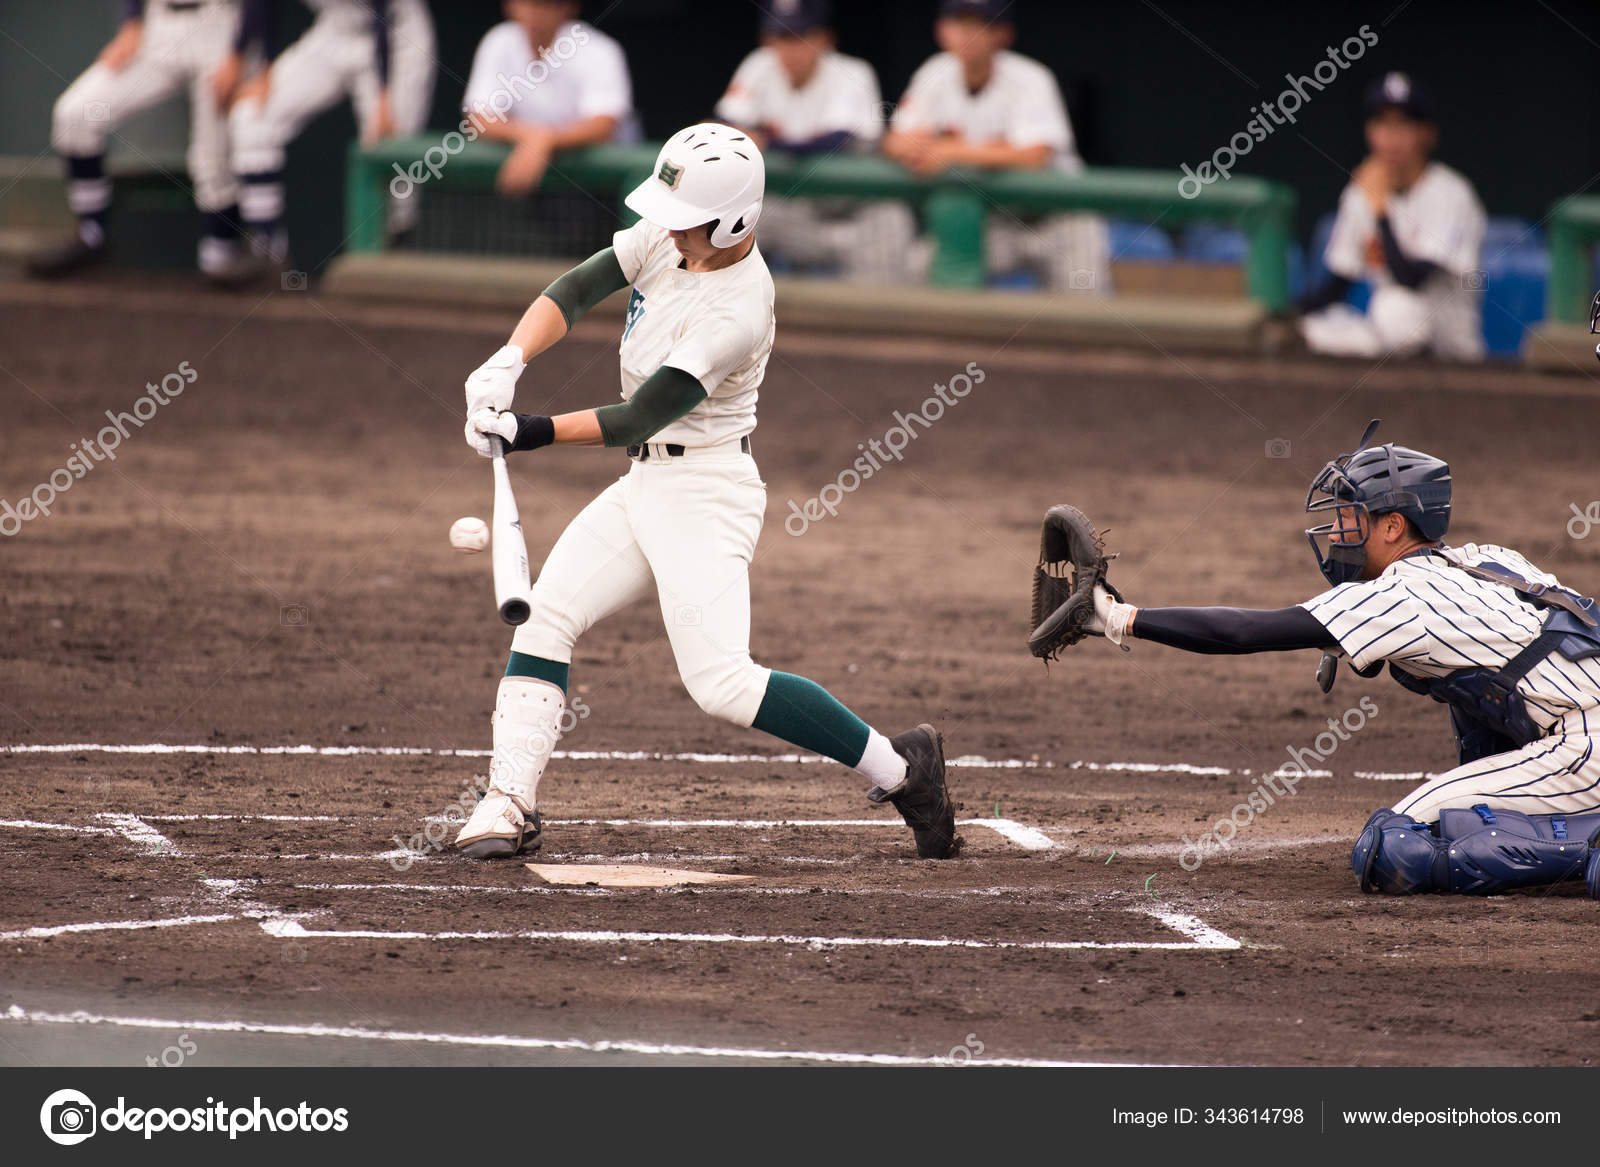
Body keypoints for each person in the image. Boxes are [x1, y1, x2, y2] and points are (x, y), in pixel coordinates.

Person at [451, 123, 961, 862]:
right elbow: (580, 286)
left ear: (733, 222)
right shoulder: (672, 234)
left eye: (686, 220)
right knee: (547, 615)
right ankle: (509, 800)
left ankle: (905, 771)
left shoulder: (738, 308)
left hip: (706, 492)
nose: (668, 229)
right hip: (647, 482)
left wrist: (527, 430)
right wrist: (510, 358)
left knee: (721, 682)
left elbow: (640, 415)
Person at [1032, 420, 1600, 897]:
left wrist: (1118, 616)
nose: (1336, 530)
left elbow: (1244, 632)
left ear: (1394, 526)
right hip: (1578, 720)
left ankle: (1587, 849)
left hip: (1585, 744)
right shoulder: (1491, 559)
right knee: (1472, 699)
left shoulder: (1400, 596)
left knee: (1394, 848)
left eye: (1351, 516)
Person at [882, 0, 1108, 293]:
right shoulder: (934, 73)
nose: (967, 34)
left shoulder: (1031, 78)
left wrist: (949, 150)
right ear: (941, 30)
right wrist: (916, 148)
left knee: (1083, 299)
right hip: (989, 220)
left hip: (1056, 218)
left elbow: (1035, 156)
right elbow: (895, 140)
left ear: (1003, 34)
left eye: (979, 24)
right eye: (958, 22)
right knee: (921, 266)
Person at [218, 0, 436, 282]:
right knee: (250, 117)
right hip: (334, 31)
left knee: (390, 154)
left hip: (396, 36)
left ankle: (393, 262)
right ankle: (268, 251)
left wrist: (384, 94)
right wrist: (262, 66)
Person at [27, 0, 247, 281]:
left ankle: (222, 254)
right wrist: (131, 21)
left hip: (221, 27)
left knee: (212, 157)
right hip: (157, 27)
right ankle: (92, 236)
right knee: (75, 115)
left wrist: (240, 50)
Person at [714, 0, 914, 283]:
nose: (789, 48)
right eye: (780, 37)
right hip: (790, 211)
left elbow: (838, 141)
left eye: (800, 36)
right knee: (729, 219)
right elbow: (723, 124)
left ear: (824, 39)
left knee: (891, 219)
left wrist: (765, 141)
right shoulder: (759, 65)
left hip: (852, 212)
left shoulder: (854, 72)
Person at [1297, 73, 1487, 360]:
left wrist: (1380, 210)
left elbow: (1411, 278)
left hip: (1450, 344)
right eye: (1382, 124)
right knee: (1313, 327)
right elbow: (1338, 284)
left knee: (1395, 309)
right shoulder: (1359, 194)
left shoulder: (1452, 194)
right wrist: (1291, 315)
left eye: (1404, 124)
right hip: (1388, 332)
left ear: (1427, 134)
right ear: (1369, 132)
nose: (1391, 138)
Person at [461, 0, 638, 199]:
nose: (537, 12)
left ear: (569, 7)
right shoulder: (499, 40)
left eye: (548, 4)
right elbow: (479, 118)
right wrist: (533, 138)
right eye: (529, 3)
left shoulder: (600, 49)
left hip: (605, 188)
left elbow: (603, 125)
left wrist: (543, 140)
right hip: (534, 178)